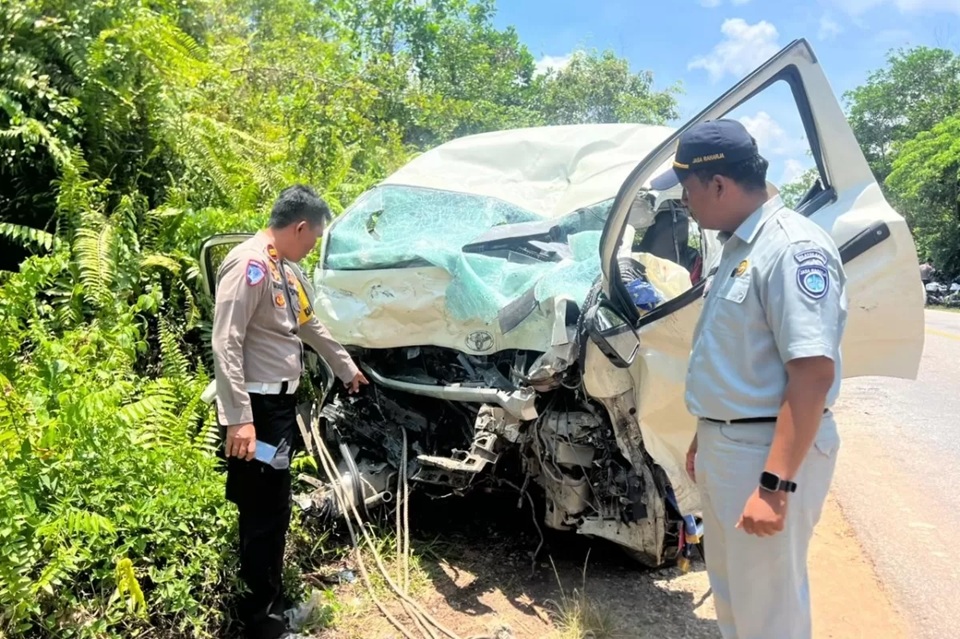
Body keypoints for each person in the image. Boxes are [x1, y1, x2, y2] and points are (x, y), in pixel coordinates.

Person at [650, 119, 847, 639]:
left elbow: (811, 373)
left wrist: (774, 485)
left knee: (769, 609)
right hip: (729, 443)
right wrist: (706, 432)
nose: (686, 204)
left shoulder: (790, 247)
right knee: (735, 596)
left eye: (689, 191)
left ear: (717, 184)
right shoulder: (737, 248)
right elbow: (736, 357)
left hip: (765, 451)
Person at [211, 184, 369, 639]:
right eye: (313, 238)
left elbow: (305, 323)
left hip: (277, 408)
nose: (312, 246)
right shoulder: (250, 265)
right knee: (263, 512)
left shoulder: (285, 269)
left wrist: (345, 367)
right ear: (299, 227)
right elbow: (227, 342)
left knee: (273, 508)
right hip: (255, 411)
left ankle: (271, 604)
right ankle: (263, 624)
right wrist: (238, 417)